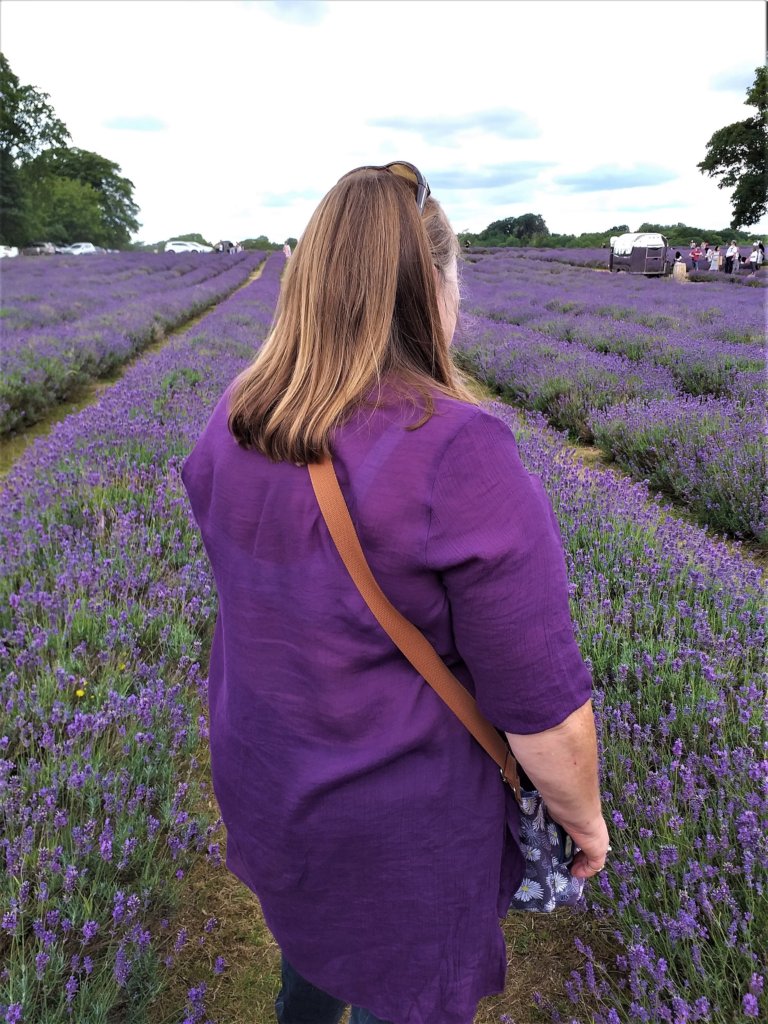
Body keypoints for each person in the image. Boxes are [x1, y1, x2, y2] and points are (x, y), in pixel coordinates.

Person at [182, 161, 609, 1024]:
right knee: (405, 995)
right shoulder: (457, 449)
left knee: (310, 956)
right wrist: (584, 821)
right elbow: (543, 711)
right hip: (400, 832)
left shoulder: (237, 418)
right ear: (433, 289)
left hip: (273, 782)